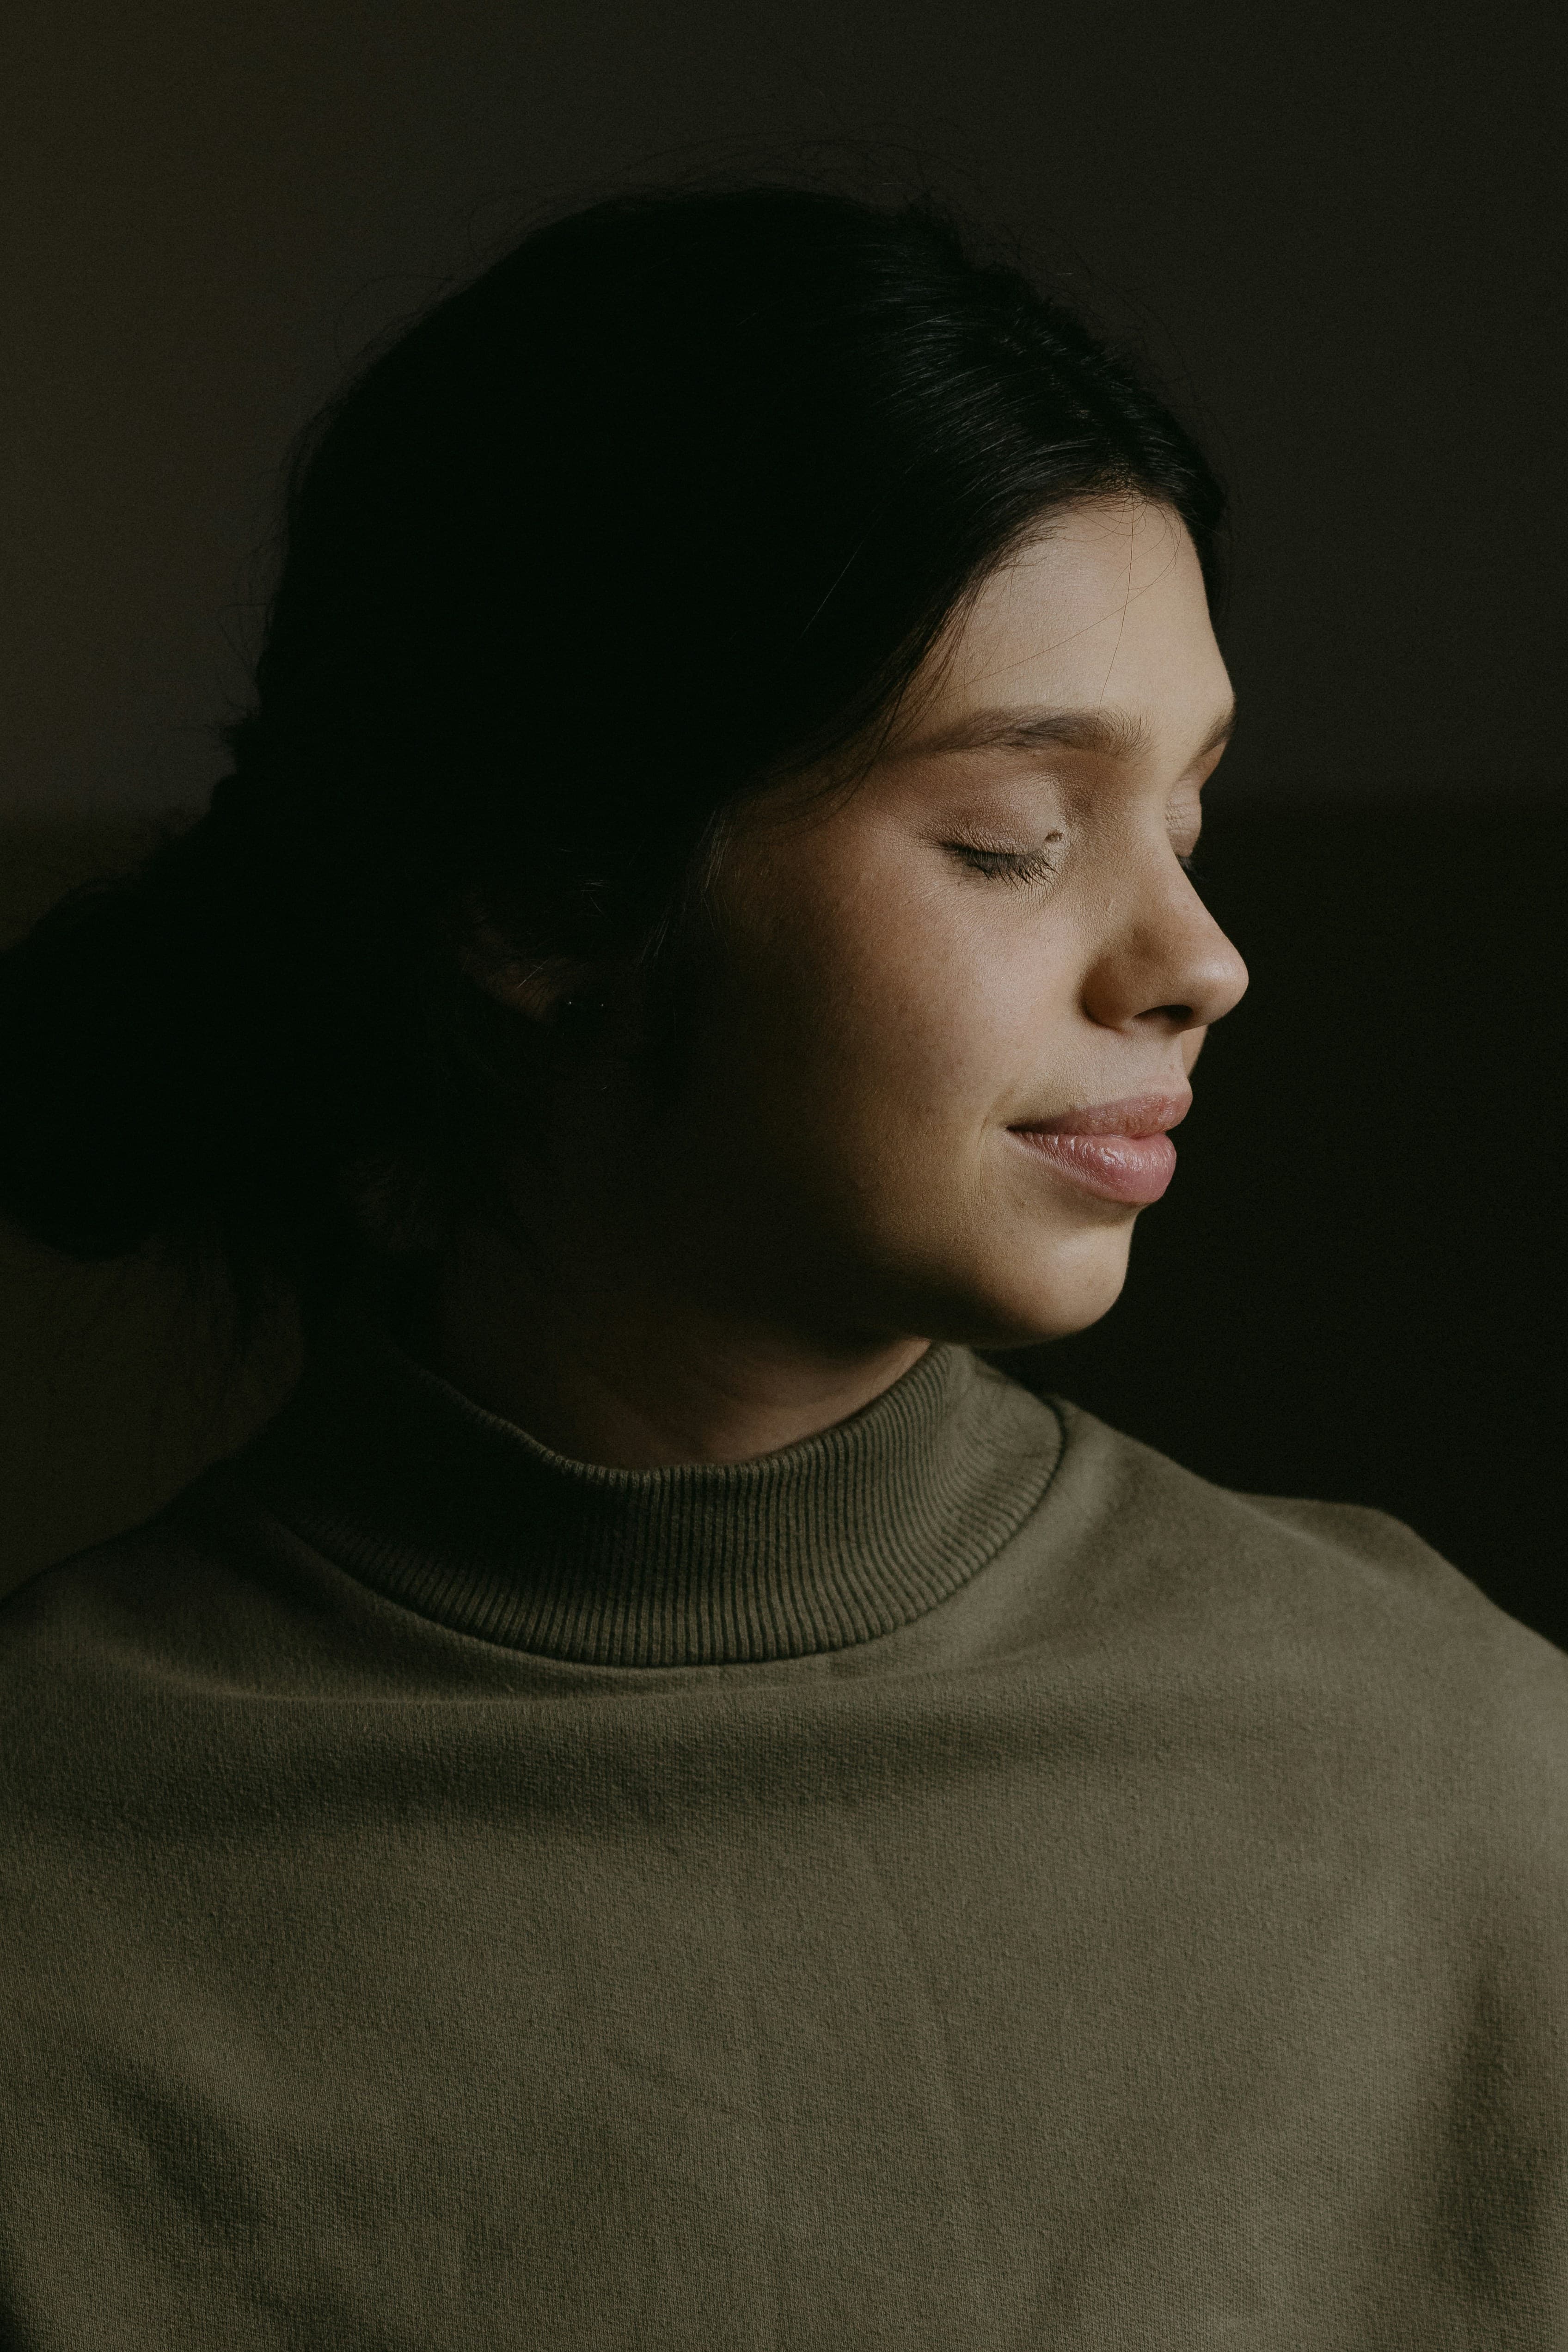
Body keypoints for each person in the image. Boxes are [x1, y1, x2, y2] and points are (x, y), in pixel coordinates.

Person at [0, 182, 1563, 2348]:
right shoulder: (57, 1874)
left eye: (1189, 817)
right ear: (541, 892)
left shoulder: (1457, 1778)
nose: (1194, 960)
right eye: (1014, 837)